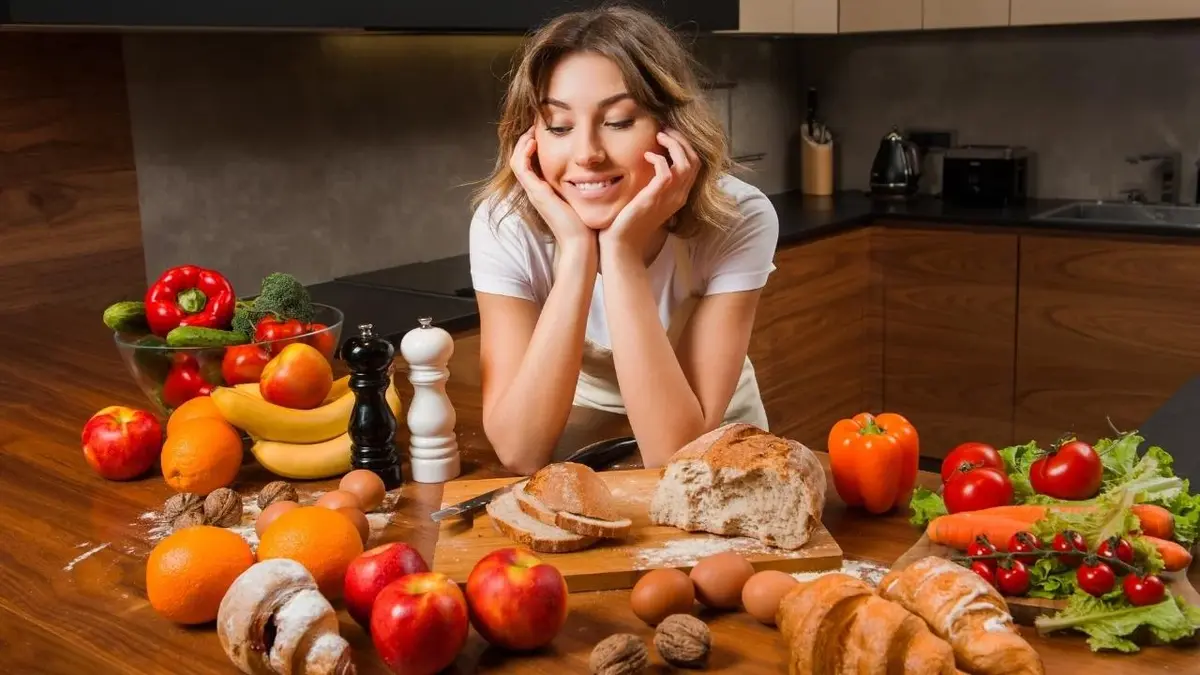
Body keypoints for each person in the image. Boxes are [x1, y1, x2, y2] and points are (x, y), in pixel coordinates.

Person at [468, 4, 779, 474]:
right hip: (571, 454)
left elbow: (676, 457)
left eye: (618, 122)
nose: (588, 153)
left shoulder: (739, 218)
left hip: (713, 459)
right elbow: (519, 451)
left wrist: (620, 254)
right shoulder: (505, 224)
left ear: (671, 128)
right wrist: (575, 253)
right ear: (529, 139)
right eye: (559, 126)